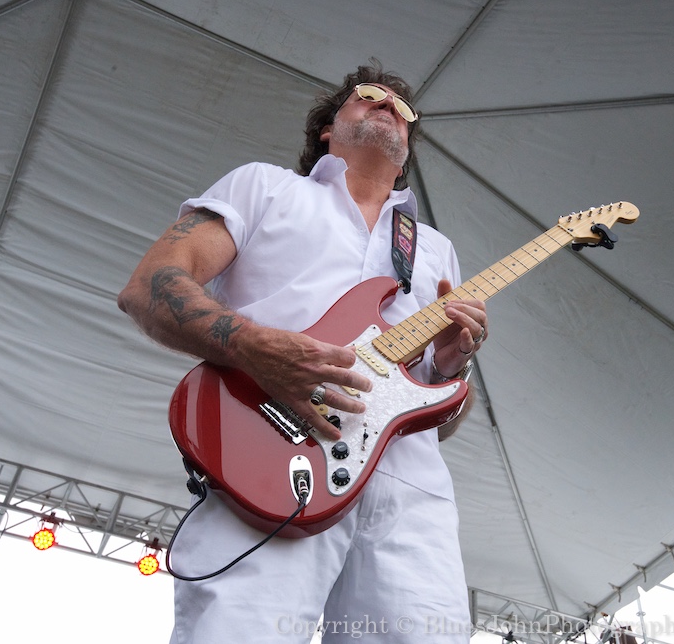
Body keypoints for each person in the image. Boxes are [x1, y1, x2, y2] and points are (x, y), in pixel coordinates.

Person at [118, 60, 488, 643]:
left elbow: (437, 418)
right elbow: (150, 287)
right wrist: (253, 345)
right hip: (269, 460)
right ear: (327, 127)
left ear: (409, 141)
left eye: (403, 107)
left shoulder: (435, 251)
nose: (388, 105)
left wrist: (447, 364)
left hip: (410, 500)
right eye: (369, 96)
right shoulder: (265, 186)